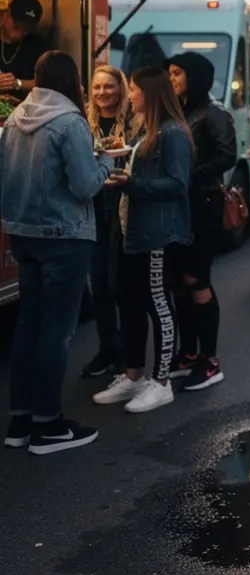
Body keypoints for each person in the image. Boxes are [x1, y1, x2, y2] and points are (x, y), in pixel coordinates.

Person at [1, 51, 112, 454]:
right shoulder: (70, 122)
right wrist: (104, 161)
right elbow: (85, 186)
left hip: (22, 233)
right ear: (74, 81)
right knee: (56, 332)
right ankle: (48, 426)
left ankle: (20, 421)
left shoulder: (14, 120)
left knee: (28, 325)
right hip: (64, 236)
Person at [93, 68, 192, 414]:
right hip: (131, 230)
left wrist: (131, 185)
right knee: (128, 301)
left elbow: (179, 186)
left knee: (157, 303)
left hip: (157, 234)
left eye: (133, 90)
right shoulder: (143, 129)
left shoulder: (173, 133)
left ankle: (161, 382)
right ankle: (133, 374)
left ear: (149, 94)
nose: (128, 95)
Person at [166, 52, 237, 392]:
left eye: (177, 72)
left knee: (197, 279)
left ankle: (210, 360)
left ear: (194, 76)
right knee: (179, 280)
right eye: (170, 72)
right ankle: (188, 353)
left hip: (203, 203)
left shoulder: (214, 112)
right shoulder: (176, 109)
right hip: (178, 205)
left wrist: (189, 177)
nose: (172, 78)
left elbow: (227, 155)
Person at [81, 65, 132, 379]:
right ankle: (107, 348)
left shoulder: (135, 122)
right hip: (95, 209)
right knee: (98, 284)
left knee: (120, 286)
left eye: (109, 87)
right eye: (97, 87)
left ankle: (128, 352)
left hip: (125, 209)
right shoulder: (85, 125)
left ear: (121, 89)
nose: (102, 93)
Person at [0, 0, 50, 98]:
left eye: (26, 30)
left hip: (26, 109)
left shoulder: (39, 45)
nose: (19, 33)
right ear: (6, 14)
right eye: (17, 26)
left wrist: (17, 83)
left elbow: (49, 82)